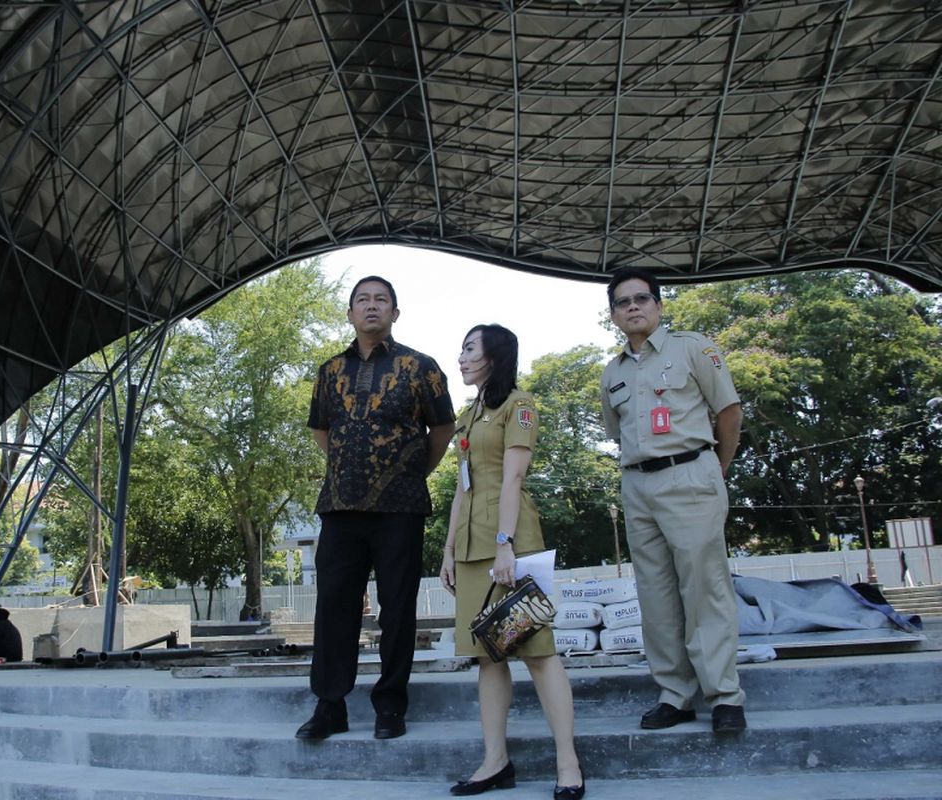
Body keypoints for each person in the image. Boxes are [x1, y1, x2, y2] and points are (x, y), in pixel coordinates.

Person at [296, 276, 456, 742]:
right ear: (349, 314)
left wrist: (410, 472)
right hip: (340, 506)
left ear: (395, 313)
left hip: (400, 508)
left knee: (398, 608)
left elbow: (442, 429)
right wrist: (349, 469)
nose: (371, 306)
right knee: (333, 608)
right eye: (362, 300)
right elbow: (321, 430)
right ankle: (330, 706)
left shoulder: (420, 367)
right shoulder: (329, 371)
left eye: (380, 300)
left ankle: (390, 705)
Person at [599, 266, 746, 735]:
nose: (634, 307)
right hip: (638, 485)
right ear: (614, 316)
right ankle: (675, 694)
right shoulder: (612, 372)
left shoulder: (693, 347)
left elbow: (729, 412)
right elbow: (616, 433)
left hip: (691, 473)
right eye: (623, 302)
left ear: (659, 306)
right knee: (656, 595)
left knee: (704, 588)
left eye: (642, 298)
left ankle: (723, 694)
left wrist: (715, 469)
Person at [441, 324, 584, 800]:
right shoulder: (469, 414)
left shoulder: (518, 405)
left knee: (539, 653)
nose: (460, 358)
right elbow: (464, 486)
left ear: (494, 357)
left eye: (469, 349)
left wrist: (506, 544)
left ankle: (568, 763)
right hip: (470, 548)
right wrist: (447, 550)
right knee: (487, 657)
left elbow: (513, 477)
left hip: (511, 543)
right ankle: (495, 761)